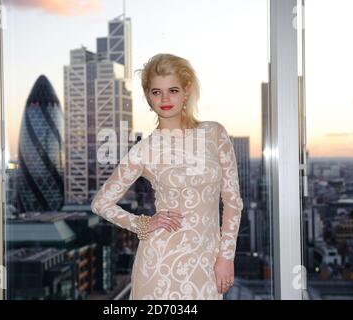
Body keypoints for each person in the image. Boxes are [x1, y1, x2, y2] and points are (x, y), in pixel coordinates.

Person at [91, 53, 243, 300]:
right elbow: (100, 203)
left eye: (172, 90)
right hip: (158, 267)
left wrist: (226, 256)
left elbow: (233, 201)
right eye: (156, 92)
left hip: (207, 263)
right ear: (148, 97)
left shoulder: (214, 133)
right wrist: (143, 223)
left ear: (186, 90)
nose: (164, 99)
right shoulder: (144, 150)